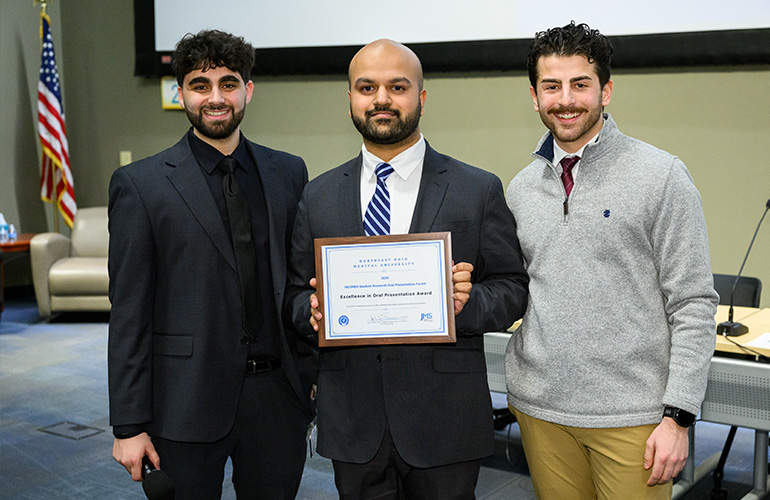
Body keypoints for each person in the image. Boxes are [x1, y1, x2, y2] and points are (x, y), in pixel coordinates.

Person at [284, 39, 529, 500]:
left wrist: (465, 302)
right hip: (354, 421)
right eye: (366, 87)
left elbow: (513, 288)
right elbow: (295, 294)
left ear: (420, 97)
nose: (381, 99)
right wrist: (312, 310)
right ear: (351, 98)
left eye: (397, 86)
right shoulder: (317, 196)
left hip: (445, 422)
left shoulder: (475, 188)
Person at [504, 22, 718, 499]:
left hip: (632, 418)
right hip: (541, 412)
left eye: (581, 84)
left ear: (606, 90)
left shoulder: (661, 176)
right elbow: (518, 288)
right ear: (534, 97)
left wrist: (678, 416)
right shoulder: (521, 188)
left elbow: (694, 303)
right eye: (551, 86)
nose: (566, 99)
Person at [108, 30, 314, 499]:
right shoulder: (140, 186)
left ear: (248, 90)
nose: (216, 97)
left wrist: (313, 374)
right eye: (201, 84)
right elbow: (128, 313)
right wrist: (128, 424)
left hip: (277, 398)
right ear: (180, 92)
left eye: (228, 83)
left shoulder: (289, 172)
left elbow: (300, 281)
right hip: (183, 401)